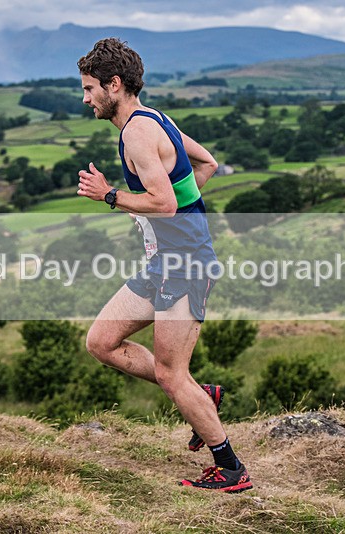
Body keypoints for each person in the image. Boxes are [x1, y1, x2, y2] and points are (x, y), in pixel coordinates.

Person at [76, 37, 252, 493]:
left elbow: (165, 203)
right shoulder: (156, 119)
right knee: (101, 341)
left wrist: (111, 196)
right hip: (162, 265)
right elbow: (205, 162)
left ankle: (230, 467)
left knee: (172, 375)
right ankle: (204, 396)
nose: (86, 97)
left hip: (187, 267)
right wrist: (181, 207)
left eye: (90, 87)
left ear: (114, 84)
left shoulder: (136, 131)